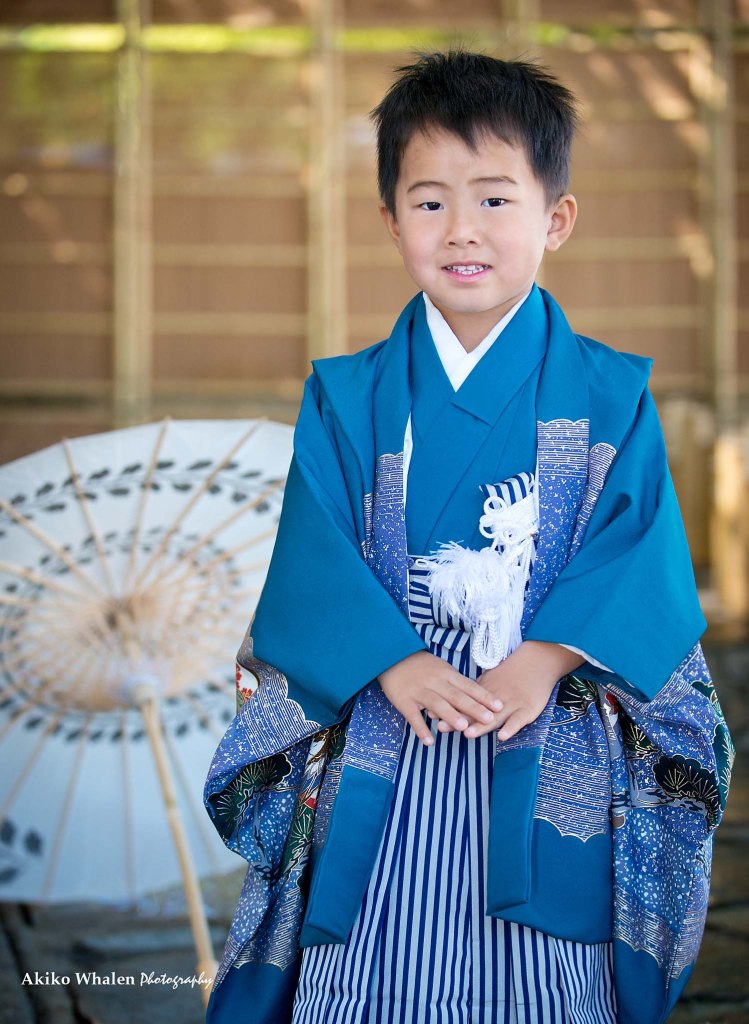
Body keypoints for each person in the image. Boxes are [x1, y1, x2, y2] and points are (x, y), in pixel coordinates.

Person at [203, 51, 733, 1024]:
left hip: (546, 708)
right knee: (373, 951)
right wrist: (394, 662)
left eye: (493, 199)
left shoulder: (610, 392)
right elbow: (314, 556)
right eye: (429, 202)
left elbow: (636, 551)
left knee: (542, 969)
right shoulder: (347, 395)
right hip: (387, 708)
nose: (461, 230)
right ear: (389, 220)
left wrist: (542, 658)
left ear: (555, 219)